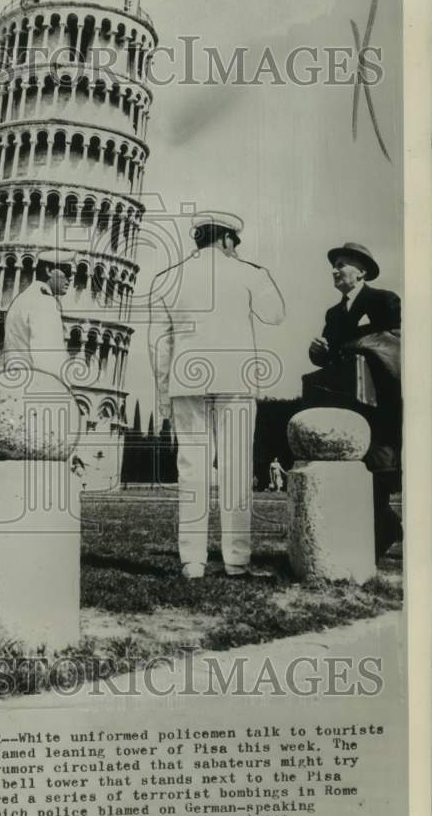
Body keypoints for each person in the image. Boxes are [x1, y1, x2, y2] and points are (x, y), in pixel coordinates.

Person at [148, 212, 285, 580]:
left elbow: (159, 346)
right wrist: (257, 273)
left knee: (191, 470)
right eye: (234, 243)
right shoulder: (248, 274)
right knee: (236, 469)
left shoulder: (166, 278)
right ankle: (236, 560)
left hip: (185, 381)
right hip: (235, 380)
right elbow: (276, 314)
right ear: (226, 239)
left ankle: (192, 561)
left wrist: (163, 395)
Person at [303, 242, 402, 559]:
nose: (335, 269)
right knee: (352, 464)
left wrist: (357, 345)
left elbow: (397, 343)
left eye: (342, 264)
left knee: (379, 463)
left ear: (361, 271)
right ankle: (382, 529)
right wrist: (317, 353)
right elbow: (329, 358)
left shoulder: (383, 300)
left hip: (380, 399)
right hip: (344, 399)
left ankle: (381, 531)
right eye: (334, 265)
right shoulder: (333, 313)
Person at [0, 248, 75, 381]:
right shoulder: (43, 302)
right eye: (67, 271)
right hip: (38, 388)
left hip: (17, 382)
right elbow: (47, 357)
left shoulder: (22, 299)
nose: (71, 277)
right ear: (48, 270)